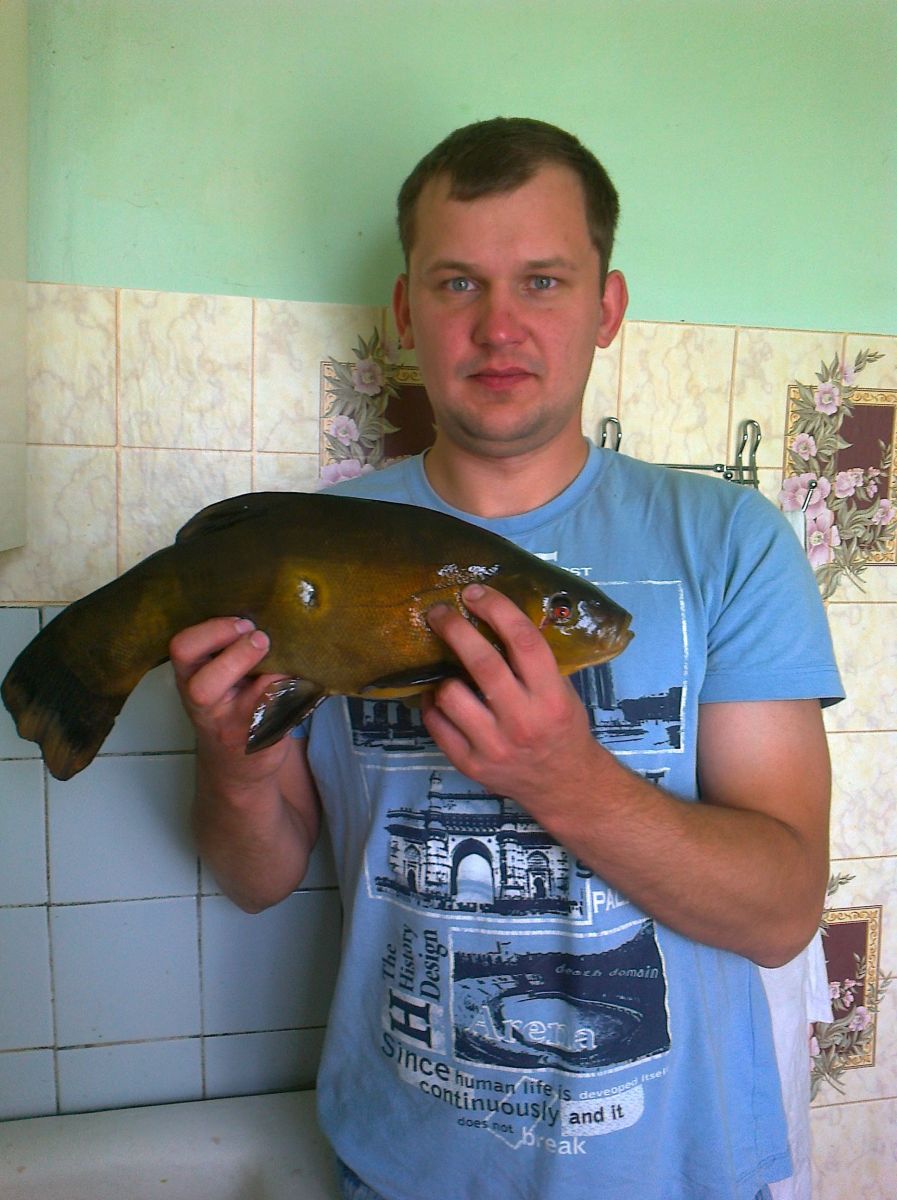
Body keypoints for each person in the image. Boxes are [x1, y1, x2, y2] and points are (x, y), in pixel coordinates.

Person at [170, 118, 843, 1200]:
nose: (498, 327)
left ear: (606, 307)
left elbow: (780, 911)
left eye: (542, 281)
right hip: (403, 1170)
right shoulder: (314, 550)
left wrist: (563, 779)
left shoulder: (730, 544)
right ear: (405, 312)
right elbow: (260, 878)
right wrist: (233, 764)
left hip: (676, 1176)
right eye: (456, 284)